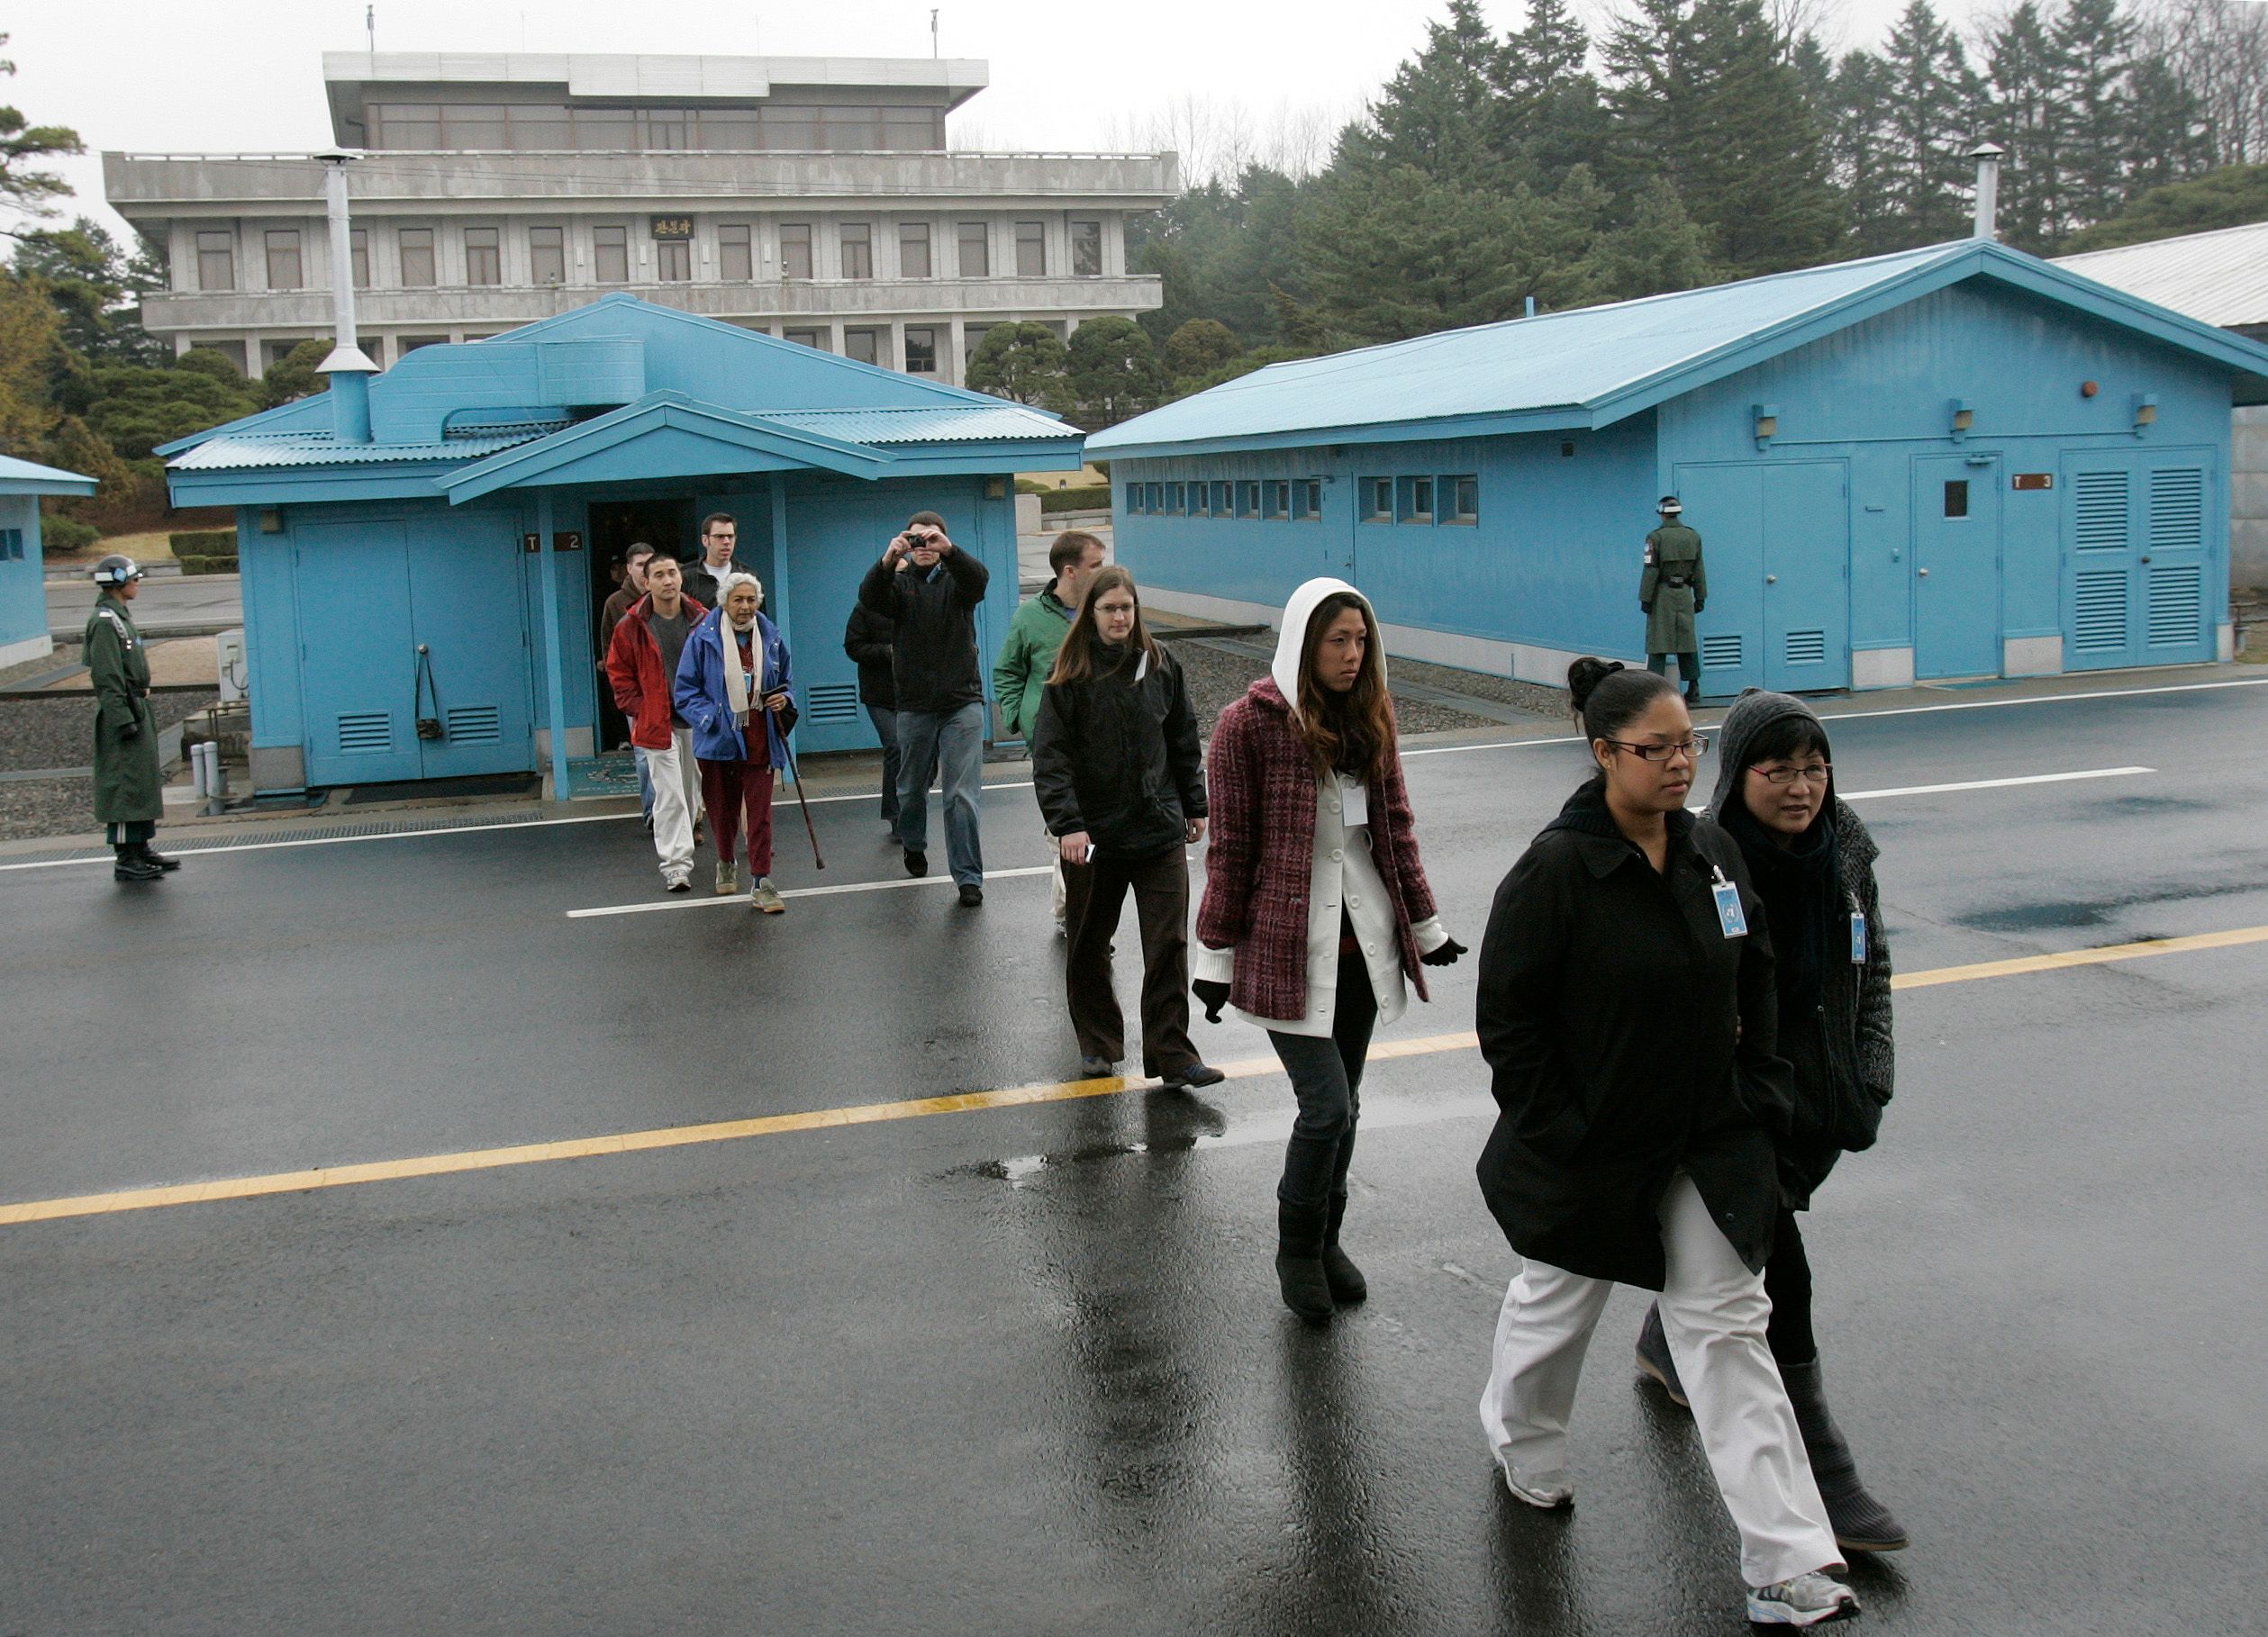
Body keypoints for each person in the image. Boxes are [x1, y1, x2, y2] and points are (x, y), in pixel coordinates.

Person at [1472, 658, 1858, 1629]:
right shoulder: (1555, 871)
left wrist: (1760, 1092)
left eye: (1689, 744)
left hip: (1710, 1137)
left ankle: (1786, 1561)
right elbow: (1509, 1024)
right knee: (1558, 1300)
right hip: (1596, 1144)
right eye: (1657, 749)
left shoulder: (1711, 854)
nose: (1680, 763)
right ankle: (1524, 1441)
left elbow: (1756, 978)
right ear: (1603, 753)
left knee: (1727, 1327)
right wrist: (1558, 1131)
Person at [1631, 688, 1907, 1556]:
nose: (1800, 787)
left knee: (1734, 1266)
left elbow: (1876, 968)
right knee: (1785, 1286)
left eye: (1813, 767)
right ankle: (1826, 1476)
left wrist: (1871, 1076)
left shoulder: (1846, 854)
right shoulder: (1706, 861)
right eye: (1777, 769)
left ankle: (1665, 1340)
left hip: (1820, 1107)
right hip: (1741, 1113)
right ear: (1737, 773)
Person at [1193, 578, 1463, 1323]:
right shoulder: (1245, 725)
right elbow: (1232, 849)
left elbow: (1395, 829)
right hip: (1285, 949)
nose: (1352, 655)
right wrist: (1214, 958)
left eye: (1360, 640)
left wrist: (1427, 928)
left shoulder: (1372, 715)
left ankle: (1329, 1241)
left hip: (1360, 949)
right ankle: (1296, 1250)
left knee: (1349, 1107)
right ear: (1303, 644)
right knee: (1326, 1108)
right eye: (1337, 641)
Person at [1032, 565, 1223, 1090]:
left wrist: (1194, 805)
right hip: (1093, 839)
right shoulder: (1068, 676)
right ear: (1090, 613)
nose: (1119, 617)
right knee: (1090, 941)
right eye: (1109, 608)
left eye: (1127, 607)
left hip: (1158, 829)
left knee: (1168, 945)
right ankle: (1098, 1042)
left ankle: (1172, 1054)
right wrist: (1068, 825)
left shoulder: (1162, 665)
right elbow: (1051, 759)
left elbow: (1184, 739)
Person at [857, 510, 990, 907]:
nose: (924, 547)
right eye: (916, 540)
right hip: (914, 706)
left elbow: (979, 580)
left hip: (961, 702)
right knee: (911, 789)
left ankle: (968, 877)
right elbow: (871, 599)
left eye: (931, 539)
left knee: (960, 795)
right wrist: (885, 561)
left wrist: (951, 552)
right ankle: (913, 842)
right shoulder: (897, 586)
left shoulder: (958, 584)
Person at [997, 530, 1108, 936]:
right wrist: (1021, 717)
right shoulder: (1030, 617)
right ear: (1070, 570)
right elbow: (1007, 671)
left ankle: (1070, 910)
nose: (1104, 571)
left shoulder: (1108, 611)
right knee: (1063, 828)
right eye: (1096, 564)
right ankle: (1079, 920)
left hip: (1103, 744)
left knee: (1092, 835)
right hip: (1053, 745)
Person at [676, 571, 795, 913]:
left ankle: (762, 881)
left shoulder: (770, 637)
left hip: (760, 735)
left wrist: (783, 699)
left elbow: (785, 680)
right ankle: (725, 860)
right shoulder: (702, 639)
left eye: (751, 600)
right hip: (718, 739)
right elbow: (685, 692)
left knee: (759, 814)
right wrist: (710, 718)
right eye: (738, 600)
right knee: (722, 811)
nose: (745, 607)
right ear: (724, 602)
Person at [606, 554, 707, 892]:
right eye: (659, 575)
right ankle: (676, 865)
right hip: (654, 724)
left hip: (693, 719)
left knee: (692, 792)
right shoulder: (630, 625)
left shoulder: (702, 620)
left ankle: (686, 847)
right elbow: (618, 674)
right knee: (669, 795)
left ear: (681, 578)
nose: (668, 580)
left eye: (673, 573)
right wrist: (639, 708)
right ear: (645, 583)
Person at [85, 555, 172, 882]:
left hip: (136, 705)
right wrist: (122, 719)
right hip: (123, 711)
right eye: (134, 579)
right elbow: (107, 677)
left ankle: (141, 846)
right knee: (123, 784)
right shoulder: (106, 621)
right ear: (119, 582)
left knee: (142, 783)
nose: (138, 584)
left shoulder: (120, 618)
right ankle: (125, 856)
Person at [600, 543, 658, 820]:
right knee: (645, 756)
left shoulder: (669, 596)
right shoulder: (615, 603)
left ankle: (680, 813)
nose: (645, 569)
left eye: (650, 563)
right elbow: (608, 648)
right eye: (639, 564)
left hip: (668, 689)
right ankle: (652, 813)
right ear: (628, 568)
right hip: (637, 692)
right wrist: (624, 692)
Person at [1641, 495, 1707, 702]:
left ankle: (1653, 689)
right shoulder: (1692, 536)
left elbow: (1651, 570)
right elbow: (1699, 569)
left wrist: (1645, 597)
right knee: (1686, 639)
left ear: (1661, 513)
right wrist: (1700, 596)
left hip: (1663, 592)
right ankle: (1693, 685)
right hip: (1685, 592)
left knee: (1658, 641)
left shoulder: (1655, 537)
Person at [842, 597, 900, 830]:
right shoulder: (866, 606)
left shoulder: (917, 601)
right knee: (896, 746)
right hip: (879, 693)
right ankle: (896, 815)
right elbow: (853, 646)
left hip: (914, 693)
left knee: (918, 752)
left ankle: (912, 809)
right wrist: (887, 652)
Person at [683, 512, 755, 610]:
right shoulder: (686, 576)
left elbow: (759, 618)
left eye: (730, 536)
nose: (726, 542)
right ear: (705, 540)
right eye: (719, 537)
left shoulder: (747, 575)